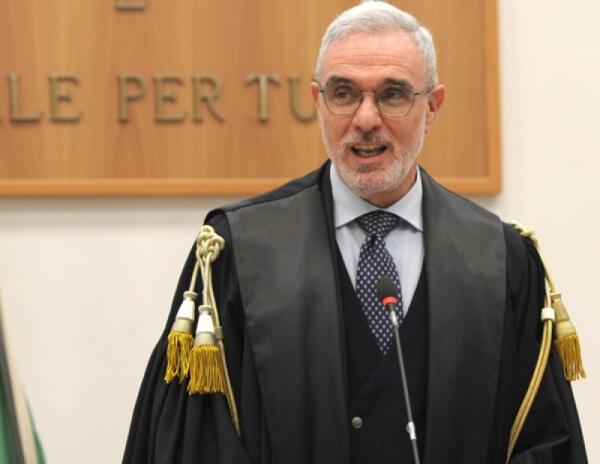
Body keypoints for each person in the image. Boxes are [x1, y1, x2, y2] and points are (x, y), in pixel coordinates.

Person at [123, 2, 587, 463]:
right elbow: (196, 443)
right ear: (317, 102)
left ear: (432, 107)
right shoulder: (237, 253)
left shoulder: (500, 260)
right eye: (344, 94)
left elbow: (546, 444)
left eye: (392, 94)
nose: (365, 120)